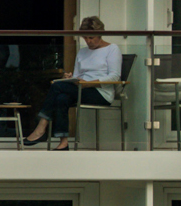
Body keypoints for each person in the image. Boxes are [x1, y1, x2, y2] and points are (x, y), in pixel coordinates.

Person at [26, 16, 119, 148]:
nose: (88, 41)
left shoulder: (112, 49)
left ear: (100, 34)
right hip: (82, 88)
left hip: (101, 92)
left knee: (57, 86)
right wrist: (70, 78)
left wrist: (88, 83)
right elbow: (77, 76)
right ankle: (63, 143)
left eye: (91, 37)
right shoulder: (82, 52)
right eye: (85, 38)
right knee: (61, 98)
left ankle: (41, 127)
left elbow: (114, 77)